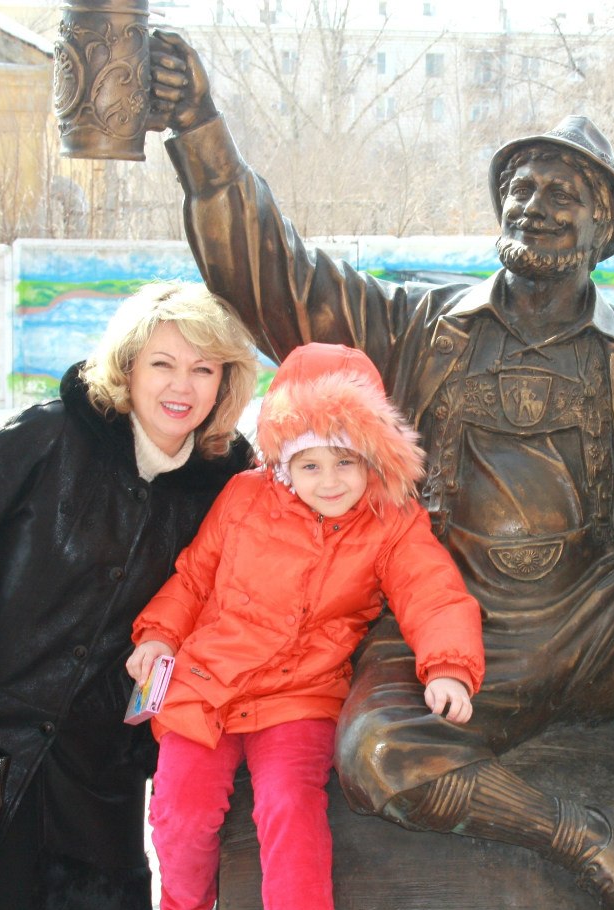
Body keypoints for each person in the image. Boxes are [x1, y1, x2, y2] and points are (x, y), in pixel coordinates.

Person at [147, 33, 614, 910]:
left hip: (593, 621)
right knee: (377, 757)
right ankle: (579, 835)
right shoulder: (418, 328)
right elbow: (276, 276)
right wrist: (199, 131)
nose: (535, 205)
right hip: (447, 627)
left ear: (603, 229)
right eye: (521, 187)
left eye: (563, 193)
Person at [0, 283, 259, 909]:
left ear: (225, 382)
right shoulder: (48, 434)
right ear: (129, 367)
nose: (181, 386)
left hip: (98, 760)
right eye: (162, 363)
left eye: (203, 369)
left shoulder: (228, 483)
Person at [126, 341, 485, 910]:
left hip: (301, 694)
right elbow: (194, 578)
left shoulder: (389, 520)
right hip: (207, 684)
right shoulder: (245, 496)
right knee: (180, 812)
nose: (330, 481)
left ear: (372, 457)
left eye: (346, 461)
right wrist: (158, 634)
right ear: (284, 466)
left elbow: (432, 592)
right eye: (310, 464)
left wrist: (448, 667)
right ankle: (183, 902)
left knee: (289, 807)